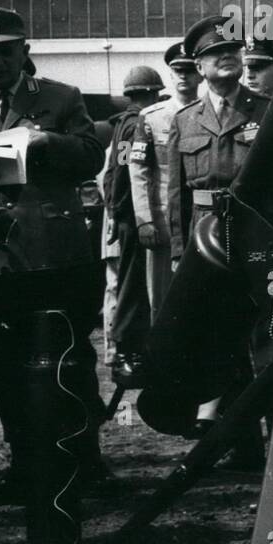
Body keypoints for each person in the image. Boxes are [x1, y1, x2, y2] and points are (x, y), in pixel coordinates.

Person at [0, 7, 105, 506]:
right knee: (10, 361)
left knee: (69, 354)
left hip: (54, 249)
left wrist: (50, 143)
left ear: (25, 51)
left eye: (5, 51)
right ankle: (24, 460)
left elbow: (93, 155)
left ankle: (83, 455)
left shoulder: (60, 97)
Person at [168, 13, 271, 466]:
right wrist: (177, 252)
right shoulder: (185, 119)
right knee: (220, 340)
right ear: (200, 65)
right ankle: (241, 445)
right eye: (214, 53)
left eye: (231, 49)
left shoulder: (266, 109)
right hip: (206, 240)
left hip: (258, 234)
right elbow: (176, 194)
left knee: (268, 338)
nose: (226, 57)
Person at [129, 42, 201, 321]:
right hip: (162, 222)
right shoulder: (151, 118)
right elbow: (137, 170)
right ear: (170, 75)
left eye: (189, 70)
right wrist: (144, 220)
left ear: (200, 73)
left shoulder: (212, 112)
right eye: (177, 71)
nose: (183, 77)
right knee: (161, 299)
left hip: (199, 219)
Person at [105, 65, 167, 381]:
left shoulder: (123, 123)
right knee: (134, 285)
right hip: (133, 215)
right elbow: (122, 173)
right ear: (150, 94)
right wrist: (118, 213)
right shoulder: (135, 125)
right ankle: (128, 352)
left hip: (127, 214)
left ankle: (129, 350)